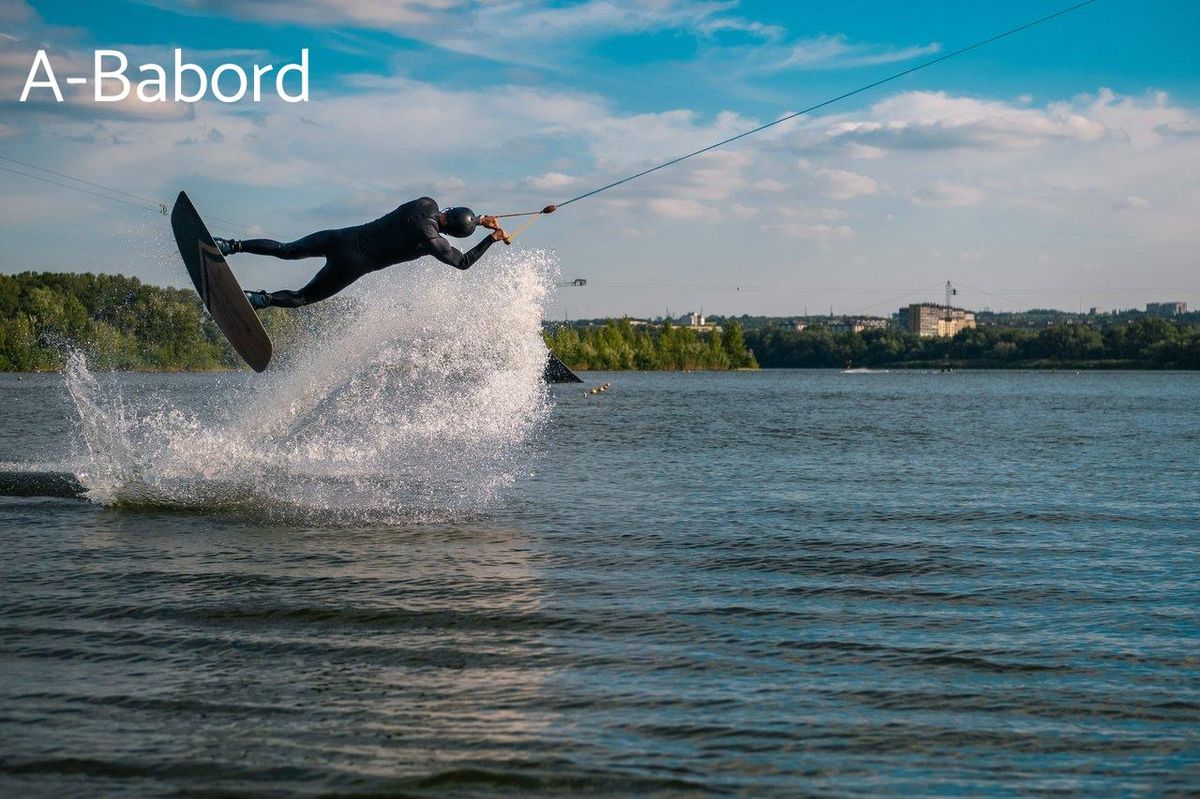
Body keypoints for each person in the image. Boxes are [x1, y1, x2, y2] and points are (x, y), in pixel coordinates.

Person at [213, 197, 510, 309]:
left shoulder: (425, 204)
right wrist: (491, 238)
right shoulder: (435, 243)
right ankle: (258, 299)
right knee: (303, 297)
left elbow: (448, 217)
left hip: (341, 238)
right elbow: (463, 262)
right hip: (353, 264)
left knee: (286, 250)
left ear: (450, 210)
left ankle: (229, 246)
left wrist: (478, 219)